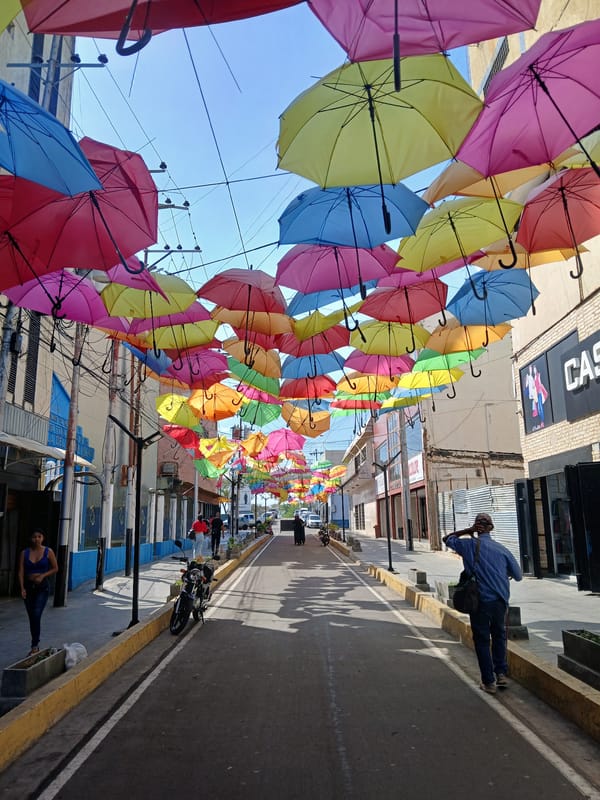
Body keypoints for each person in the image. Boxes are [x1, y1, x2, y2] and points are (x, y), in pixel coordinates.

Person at [442, 513, 522, 695]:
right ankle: (501, 673)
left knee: (482, 641)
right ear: (491, 528)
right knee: (500, 636)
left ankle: (489, 682)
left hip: (478, 602)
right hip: (500, 602)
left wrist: (467, 531)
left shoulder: (468, 545)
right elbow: (517, 575)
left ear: (476, 528)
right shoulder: (502, 549)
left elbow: (447, 539)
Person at [18, 529, 58, 656]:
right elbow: (21, 571)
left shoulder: (48, 551)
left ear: (43, 538)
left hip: (42, 587)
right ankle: (34, 643)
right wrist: (22, 587)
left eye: (39, 536)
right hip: (29, 587)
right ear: (31, 539)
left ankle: (35, 646)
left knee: (36, 614)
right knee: (32, 617)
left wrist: (43, 575)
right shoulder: (24, 553)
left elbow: (55, 568)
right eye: (34, 537)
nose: (37, 539)